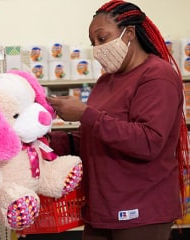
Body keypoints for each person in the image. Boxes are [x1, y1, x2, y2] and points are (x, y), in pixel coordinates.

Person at [46, 1, 190, 240]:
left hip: (141, 211)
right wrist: (47, 141)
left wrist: (84, 113)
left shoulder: (157, 76)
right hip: (102, 210)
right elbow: (92, 139)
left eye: (102, 39)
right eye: (94, 43)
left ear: (130, 33)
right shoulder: (105, 82)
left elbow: (148, 141)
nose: (98, 48)